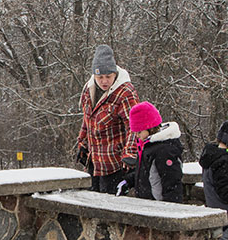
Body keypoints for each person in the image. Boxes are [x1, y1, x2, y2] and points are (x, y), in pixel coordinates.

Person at [76, 44, 139, 194]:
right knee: (92, 205)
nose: (104, 81)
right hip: (95, 160)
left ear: (115, 73)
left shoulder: (125, 93)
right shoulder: (89, 89)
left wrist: (130, 153)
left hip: (115, 162)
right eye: (100, 77)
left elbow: (134, 125)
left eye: (108, 77)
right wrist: (82, 141)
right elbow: (87, 118)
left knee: (112, 208)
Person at [118, 101, 184, 202]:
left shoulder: (165, 150)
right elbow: (146, 172)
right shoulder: (148, 146)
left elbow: (172, 182)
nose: (137, 135)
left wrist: (171, 209)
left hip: (159, 205)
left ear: (150, 128)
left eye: (139, 131)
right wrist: (129, 181)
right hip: (147, 202)